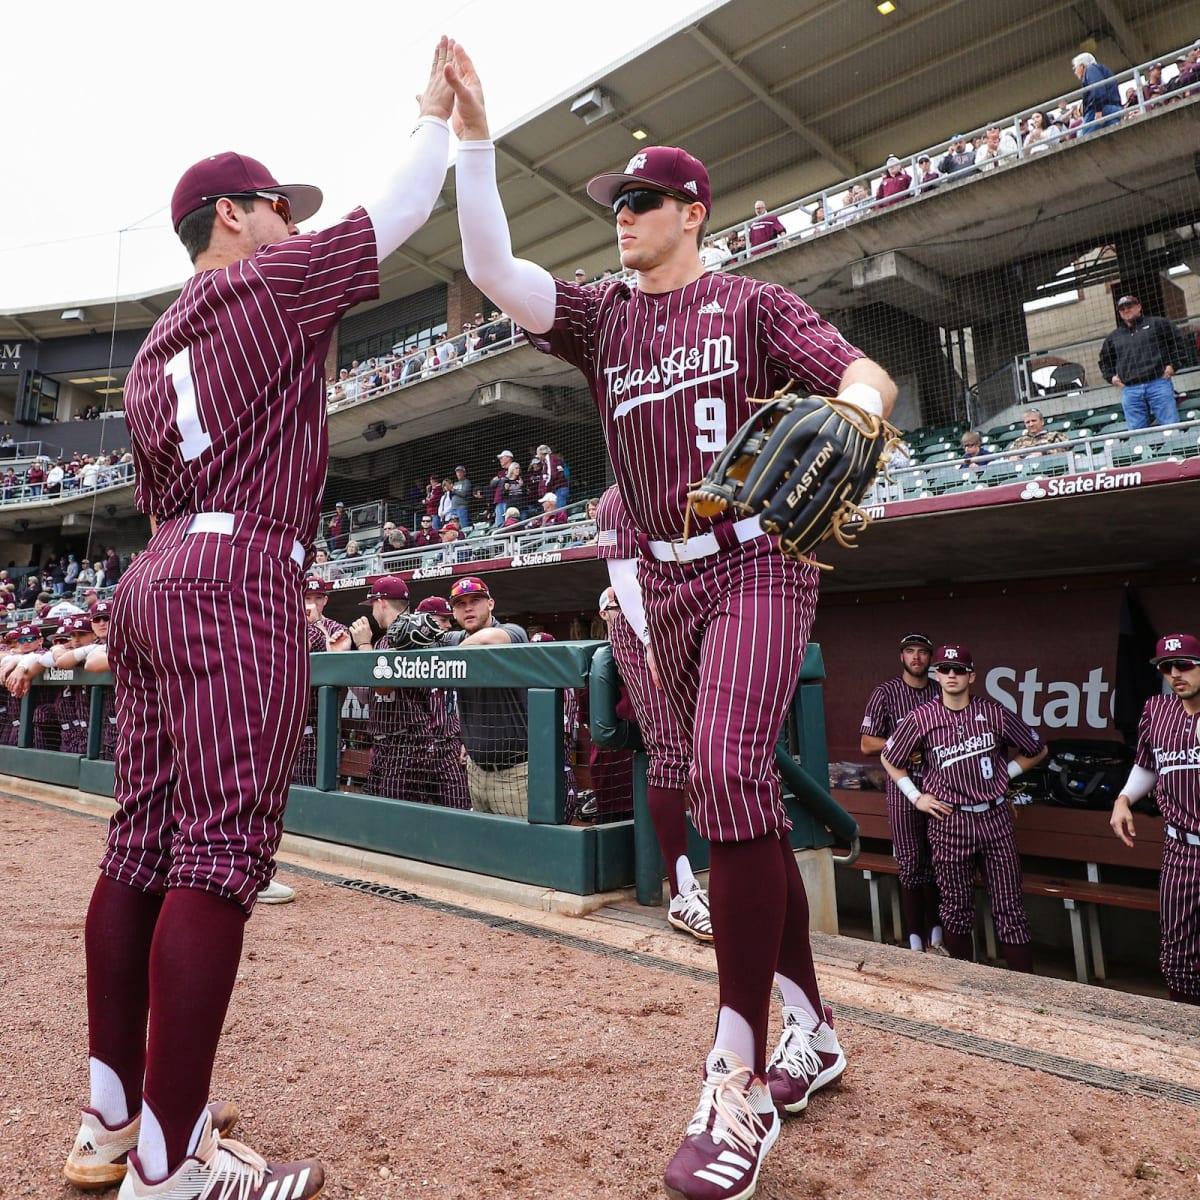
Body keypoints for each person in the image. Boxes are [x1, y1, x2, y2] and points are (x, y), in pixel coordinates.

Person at [447, 49, 898, 1200]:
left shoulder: (748, 300)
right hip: (665, 577)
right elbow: (492, 264)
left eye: (642, 202)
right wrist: (473, 142)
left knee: (733, 776)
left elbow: (865, 374)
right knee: (726, 796)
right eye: (618, 204)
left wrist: (853, 408)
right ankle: (809, 1023)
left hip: (756, 560)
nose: (624, 218)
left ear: (694, 210)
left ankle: (736, 1078)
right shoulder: (601, 322)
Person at [63, 39, 457, 1200]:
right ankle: (170, 1164)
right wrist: (433, 116)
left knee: (138, 845)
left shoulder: (147, 353)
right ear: (232, 216)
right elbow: (391, 216)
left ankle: (107, 1124)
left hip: (156, 578)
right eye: (279, 208)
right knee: (220, 858)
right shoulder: (264, 279)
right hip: (237, 578)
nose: (294, 224)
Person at [881, 644, 1047, 971]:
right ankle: (964, 990)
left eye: (959, 670)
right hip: (950, 820)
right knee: (956, 909)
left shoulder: (994, 712)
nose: (952, 675)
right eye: (945, 669)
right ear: (937, 675)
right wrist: (916, 796)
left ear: (971, 675)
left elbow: (1037, 748)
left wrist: (1005, 774)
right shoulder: (922, 717)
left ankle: (1027, 993)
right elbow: (890, 758)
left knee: (1010, 908)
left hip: (994, 815)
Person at [595, 486, 711, 941]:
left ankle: (740, 880)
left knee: (722, 744)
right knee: (673, 749)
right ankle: (683, 890)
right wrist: (651, 639)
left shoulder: (696, 473)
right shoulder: (620, 496)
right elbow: (623, 576)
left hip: (698, 606)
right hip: (640, 618)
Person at [1110, 633, 1200, 1004]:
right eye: (1167, 667)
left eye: (1185, 665)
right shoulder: (1156, 710)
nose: (1175, 673)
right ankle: (1185, 1039)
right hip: (1181, 848)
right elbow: (1148, 764)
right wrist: (1123, 799)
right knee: (1178, 952)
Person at [859, 634, 945, 954]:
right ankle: (913, 940)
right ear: (902, 657)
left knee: (941, 861)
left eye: (922, 652)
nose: (916, 657)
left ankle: (937, 935)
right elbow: (868, 743)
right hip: (902, 787)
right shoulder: (886, 693)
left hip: (941, 784)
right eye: (910, 651)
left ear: (930, 658)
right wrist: (908, 742)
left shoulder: (940, 690)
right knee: (910, 863)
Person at [441, 576, 532, 816]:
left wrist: (447, 656)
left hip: (516, 772)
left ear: (491, 603)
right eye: (460, 604)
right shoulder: (452, 639)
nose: (468, 608)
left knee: (521, 847)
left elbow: (486, 639)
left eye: (475, 601)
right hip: (475, 770)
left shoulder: (512, 631)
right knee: (485, 846)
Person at [1098, 295, 1188, 431]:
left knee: (1171, 426)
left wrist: (1174, 365)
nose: (1126, 311)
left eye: (1130, 307)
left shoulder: (1158, 324)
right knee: (1137, 433)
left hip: (1158, 383)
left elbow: (1178, 342)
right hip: (1130, 389)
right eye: (1122, 309)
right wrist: (1111, 377)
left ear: (1139, 307)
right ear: (1119, 313)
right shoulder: (1114, 337)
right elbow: (1104, 360)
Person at [1072, 52, 1122, 132]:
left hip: (1100, 110)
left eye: (1075, 68)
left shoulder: (1091, 70)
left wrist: (1098, 110)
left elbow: (1098, 88)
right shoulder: (1101, 70)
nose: (1075, 72)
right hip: (1114, 108)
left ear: (1082, 66)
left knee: (1087, 141)